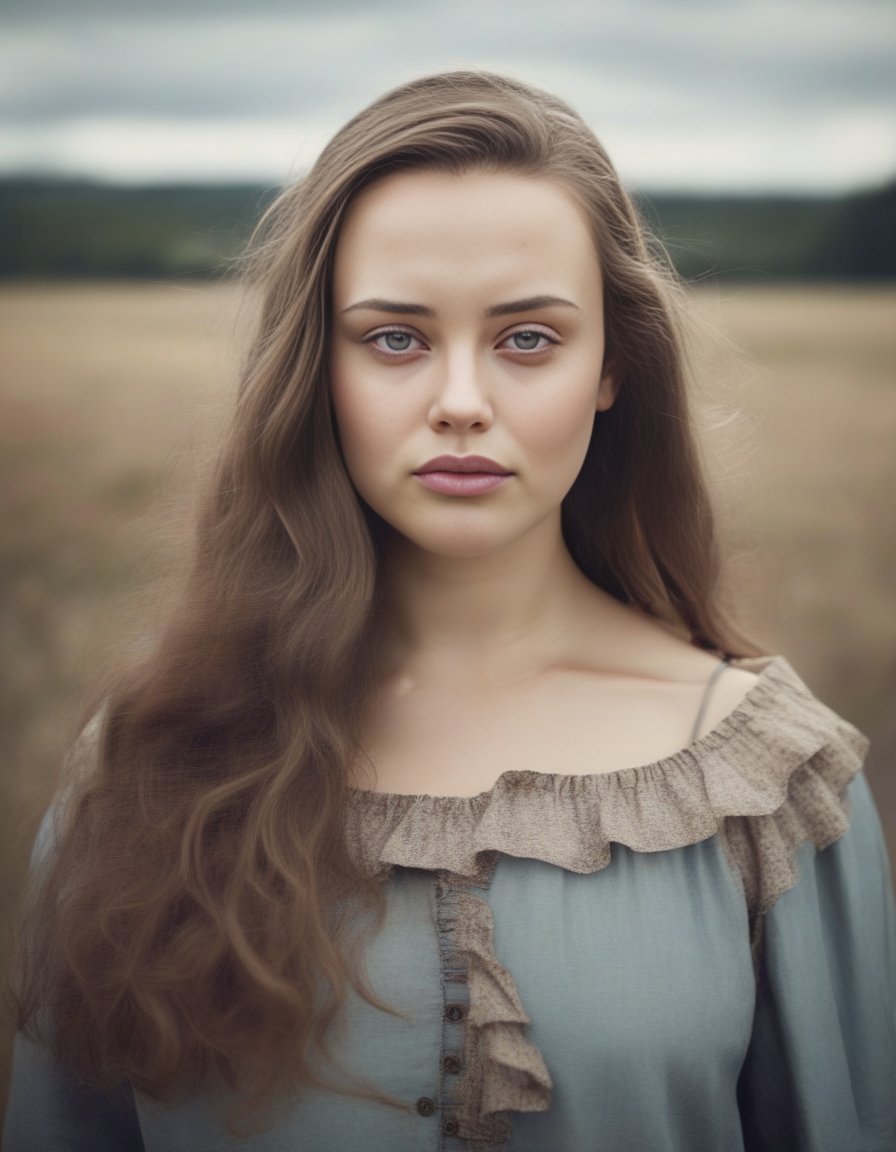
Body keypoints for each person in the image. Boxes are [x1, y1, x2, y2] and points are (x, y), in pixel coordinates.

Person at [5, 71, 895, 1152]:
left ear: (612, 364)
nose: (461, 400)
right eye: (394, 338)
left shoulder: (766, 784)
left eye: (526, 339)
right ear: (316, 366)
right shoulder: (149, 761)